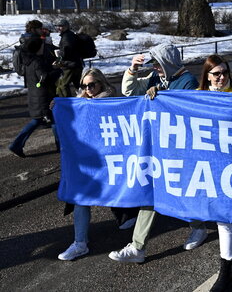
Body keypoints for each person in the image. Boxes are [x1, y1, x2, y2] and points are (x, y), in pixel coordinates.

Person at [110, 43, 200, 263]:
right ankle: (138, 247)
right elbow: (129, 91)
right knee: (152, 191)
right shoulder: (155, 77)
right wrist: (132, 69)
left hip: (180, 148)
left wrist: (162, 96)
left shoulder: (188, 80)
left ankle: (199, 227)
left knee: (180, 191)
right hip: (157, 146)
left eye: (158, 64)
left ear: (168, 62)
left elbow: (184, 109)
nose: (155, 68)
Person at [57, 68, 139, 261]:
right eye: (84, 86)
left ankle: (129, 214)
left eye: (92, 85)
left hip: (112, 160)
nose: (88, 89)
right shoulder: (80, 103)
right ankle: (80, 243)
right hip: (90, 163)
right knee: (81, 198)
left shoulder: (113, 101)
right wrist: (59, 106)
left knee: (115, 192)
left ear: (102, 83)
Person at [196, 55, 232, 292]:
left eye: (225, 73)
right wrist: (156, 92)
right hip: (208, 164)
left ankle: (225, 271)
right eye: (216, 74)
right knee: (221, 214)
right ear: (207, 76)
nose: (221, 77)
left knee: (225, 216)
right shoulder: (197, 98)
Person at [8, 36, 61, 157]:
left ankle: (60, 146)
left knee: (51, 120)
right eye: (42, 45)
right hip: (43, 97)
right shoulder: (36, 61)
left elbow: (39, 76)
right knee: (41, 120)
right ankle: (16, 144)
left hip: (35, 95)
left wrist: (51, 68)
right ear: (37, 48)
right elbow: (44, 78)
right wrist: (58, 71)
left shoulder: (29, 60)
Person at [54, 18, 84, 98]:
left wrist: (59, 58)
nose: (59, 28)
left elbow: (66, 50)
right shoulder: (69, 35)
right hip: (76, 64)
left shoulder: (67, 36)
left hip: (70, 65)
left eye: (61, 26)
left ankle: (68, 103)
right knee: (78, 85)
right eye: (58, 26)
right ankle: (84, 98)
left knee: (63, 85)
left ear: (66, 26)